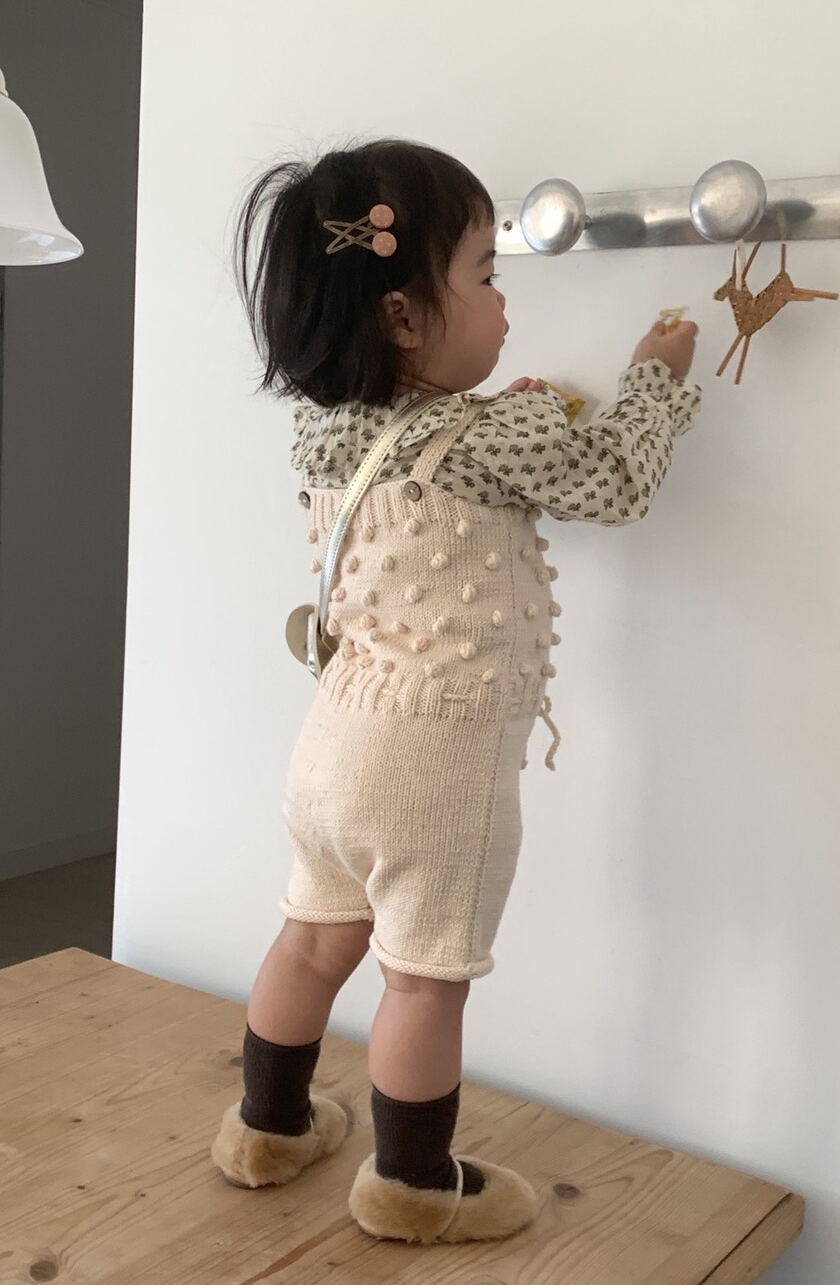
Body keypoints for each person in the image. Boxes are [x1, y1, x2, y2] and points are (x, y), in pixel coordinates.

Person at [211, 138, 701, 1245]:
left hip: (331, 742)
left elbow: (427, 454)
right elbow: (614, 480)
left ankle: (267, 1128)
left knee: (311, 941)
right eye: (485, 273)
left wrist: (514, 413)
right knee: (425, 984)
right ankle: (414, 1186)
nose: (503, 300)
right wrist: (654, 380)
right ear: (401, 316)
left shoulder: (324, 428)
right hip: (435, 763)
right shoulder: (496, 434)